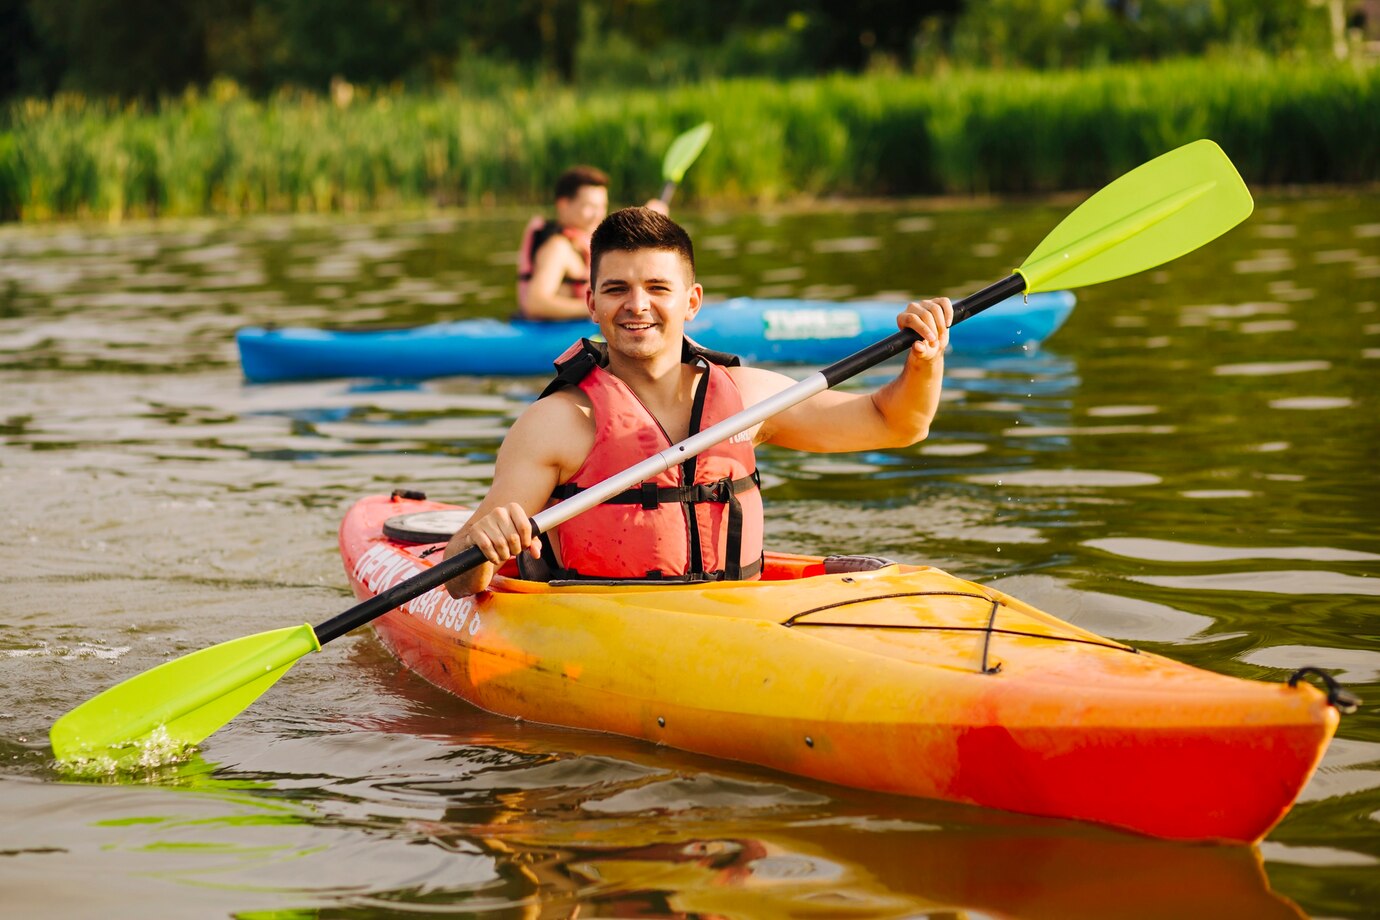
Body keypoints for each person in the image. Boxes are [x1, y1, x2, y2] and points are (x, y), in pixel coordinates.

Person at [447, 207, 952, 596]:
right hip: (603, 635)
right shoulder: (556, 424)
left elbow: (894, 424)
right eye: (617, 289)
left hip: (735, 625)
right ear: (592, 304)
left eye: (657, 288)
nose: (637, 305)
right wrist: (484, 545)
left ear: (692, 301)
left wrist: (924, 361)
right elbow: (458, 578)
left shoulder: (748, 399)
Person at [516, 165, 668, 321]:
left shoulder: (587, 240)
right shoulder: (558, 248)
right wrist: (598, 307)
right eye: (590, 206)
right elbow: (534, 303)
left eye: (602, 206)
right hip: (552, 331)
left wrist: (647, 222)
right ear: (563, 205)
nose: (598, 214)